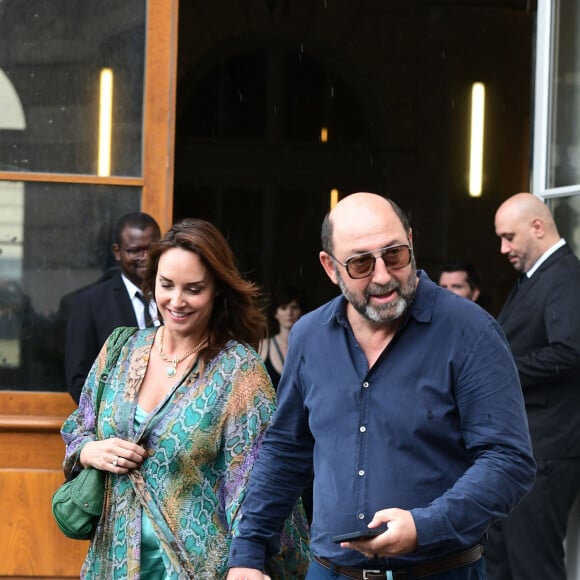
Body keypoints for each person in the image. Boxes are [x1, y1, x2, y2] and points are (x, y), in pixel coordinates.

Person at [227, 192, 535, 580]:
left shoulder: (470, 331)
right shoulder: (309, 337)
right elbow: (286, 451)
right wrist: (248, 551)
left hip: (439, 572)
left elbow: (509, 461)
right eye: (360, 263)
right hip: (330, 573)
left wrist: (425, 526)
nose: (383, 275)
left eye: (395, 254)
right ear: (329, 267)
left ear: (411, 241)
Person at [59, 218, 311, 579]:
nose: (176, 301)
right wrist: (88, 451)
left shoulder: (238, 371)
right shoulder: (121, 349)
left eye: (193, 289)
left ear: (218, 291)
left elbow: (255, 485)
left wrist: (248, 563)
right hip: (113, 562)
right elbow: (78, 426)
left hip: (198, 567)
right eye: (166, 285)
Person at [485, 192, 580, 580]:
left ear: (537, 227)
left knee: (532, 567)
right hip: (525, 450)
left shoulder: (565, 275)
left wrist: (499, 372)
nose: (503, 248)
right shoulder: (536, 277)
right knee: (503, 563)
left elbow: (570, 352)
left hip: (547, 450)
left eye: (509, 237)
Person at [64, 211, 161, 403]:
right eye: (135, 250)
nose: (146, 257)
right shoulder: (90, 303)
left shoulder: (174, 298)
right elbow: (79, 380)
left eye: (152, 249)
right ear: (117, 252)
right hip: (114, 425)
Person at [260, 285, 306, 389]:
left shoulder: (309, 347)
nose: (289, 313)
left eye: (294, 307)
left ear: (301, 311)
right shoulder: (263, 346)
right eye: (283, 308)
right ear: (275, 313)